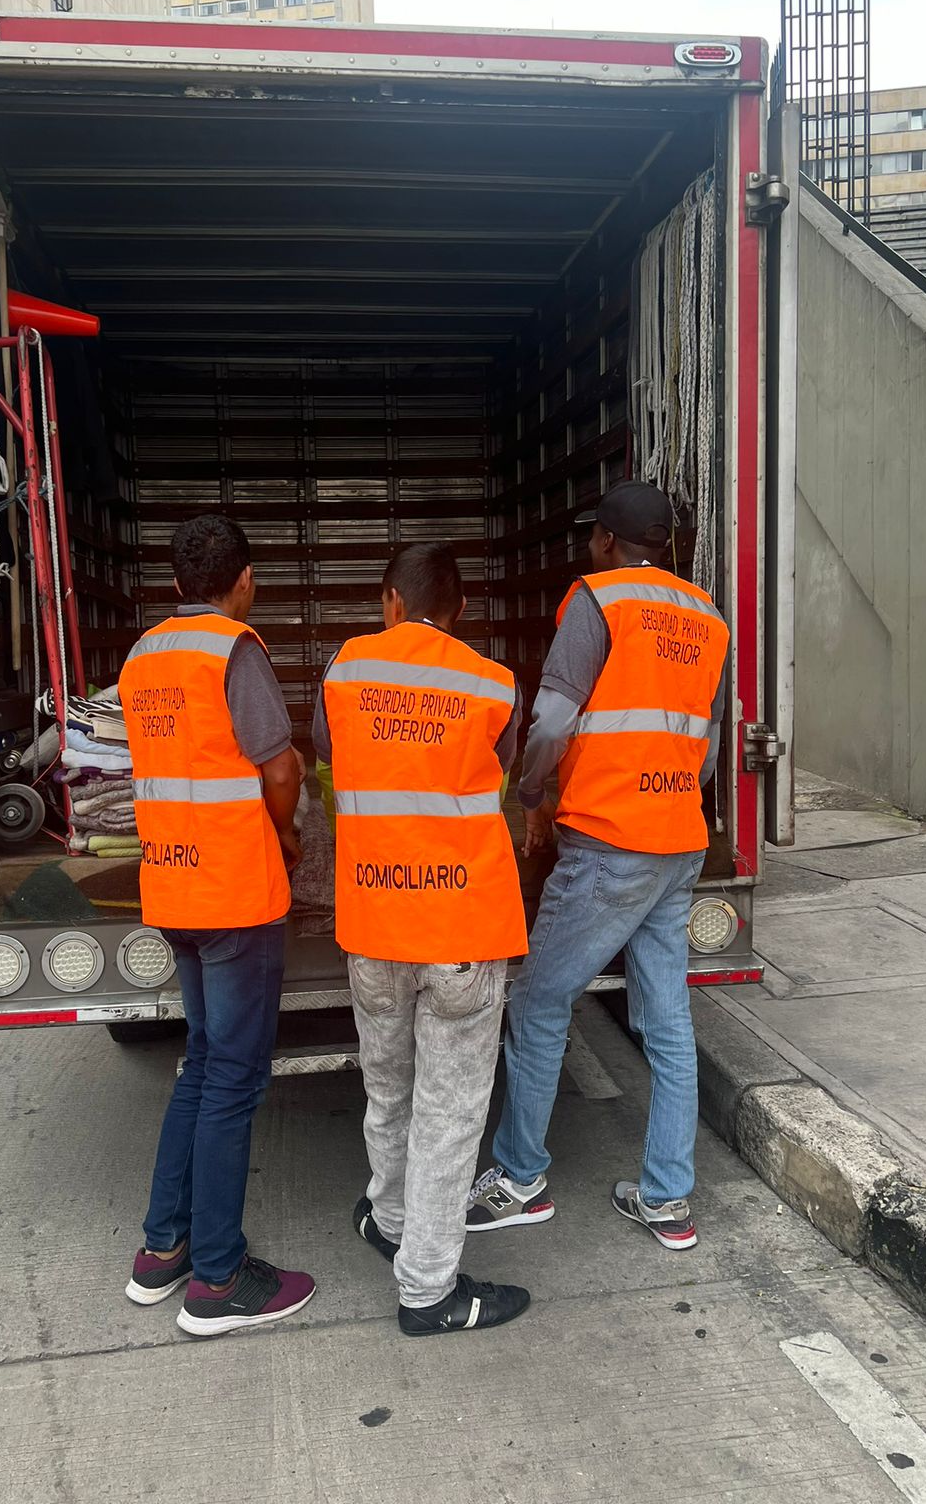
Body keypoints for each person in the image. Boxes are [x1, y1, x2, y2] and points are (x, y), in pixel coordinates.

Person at [466, 482, 730, 1251]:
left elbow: (553, 719)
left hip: (609, 841)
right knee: (668, 1023)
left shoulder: (598, 601)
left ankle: (520, 1178)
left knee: (538, 1000)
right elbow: (708, 747)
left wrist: (532, 791)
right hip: (677, 841)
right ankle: (667, 1200)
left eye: (593, 537)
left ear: (608, 541)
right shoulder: (708, 617)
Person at [313, 543, 531, 1336]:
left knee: (389, 1088)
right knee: (450, 1113)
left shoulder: (346, 671)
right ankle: (429, 1290)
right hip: (461, 929)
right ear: (460, 610)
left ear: (390, 602)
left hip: (375, 922)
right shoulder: (492, 683)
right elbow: (500, 773)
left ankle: (391, 1220)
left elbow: (330, 755)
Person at [120, 514, 315, 1336]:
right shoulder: (233, 649)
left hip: (172, 887)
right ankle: (218, 1279)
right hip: (234, 894)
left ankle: (163, 1248)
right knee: (233, 1081)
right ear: (245, 581)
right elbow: (279, 765)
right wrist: (290, 835)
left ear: (175, 584)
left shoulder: (142, 656)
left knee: (202, 1066)